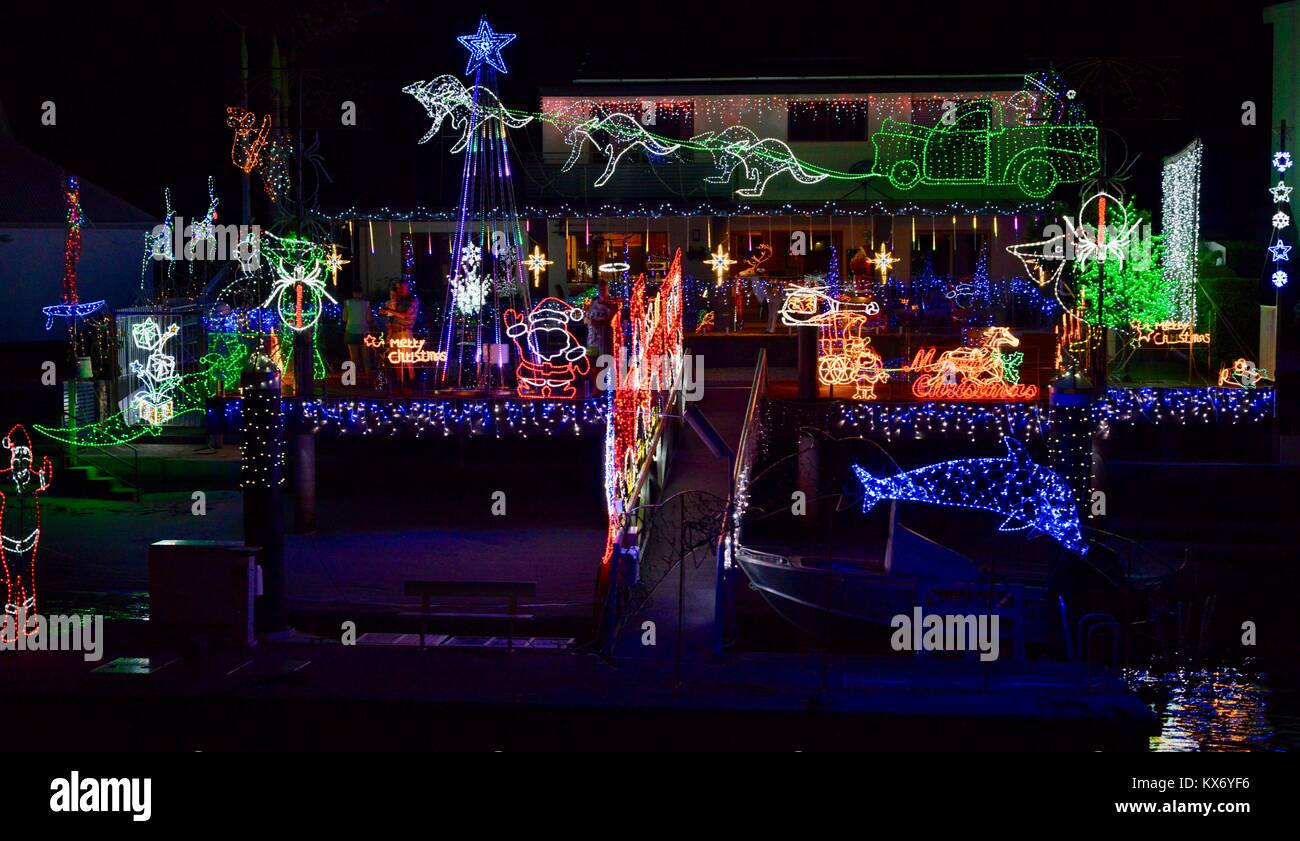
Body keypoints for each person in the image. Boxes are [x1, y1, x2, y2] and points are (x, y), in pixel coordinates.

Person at [379, 280, 418, 394]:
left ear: (406, 287)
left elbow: (404, 315)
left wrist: (389, 310)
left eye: (400, 288)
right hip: (395, 332)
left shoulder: (412, 300)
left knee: (407, 359)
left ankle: (411, 383)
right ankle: (399, 382)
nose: (399, 290)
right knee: (396, 358)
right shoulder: (399, 300)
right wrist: (386, 313)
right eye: (397, 288)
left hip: (404, 332)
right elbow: (394, 314)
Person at [342, 286, 373, 386]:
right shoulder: (367, 304)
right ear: (362, 293)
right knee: (366, 357)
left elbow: (344, 318)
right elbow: (369, 318)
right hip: (364, 332)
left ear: (353, 293)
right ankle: (368, 378)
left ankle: (353, 380)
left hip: (351, 331)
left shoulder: (348, 303)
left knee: (354, 358)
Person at [584, 279, 615, 359]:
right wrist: (586, 319)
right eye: (600, 289)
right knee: (591, 361)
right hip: (592, 338)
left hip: (604, 339)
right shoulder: (594, 301)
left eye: (604, 289)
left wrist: (594, 322)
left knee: (603, 362)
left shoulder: (612, 303)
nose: (602, 291)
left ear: (607, 289)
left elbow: (611, 321)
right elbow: (587, 316)